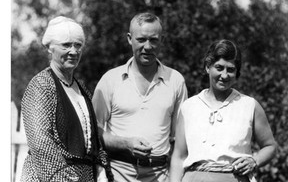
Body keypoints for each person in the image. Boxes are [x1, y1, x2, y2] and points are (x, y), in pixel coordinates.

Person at [92, 12, 188, 182]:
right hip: (117, 173)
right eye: (141, 39)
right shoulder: (110, 79)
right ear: (130, 39)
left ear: (162, 40)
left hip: (160, 175)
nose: (148, 46)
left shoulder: (176, 81)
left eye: (154, 40)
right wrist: (126, 144)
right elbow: (93, 132)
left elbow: (180, 142)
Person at [169, 39, 277, 182]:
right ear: (208, 67)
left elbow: (270, 146)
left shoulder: (250, 105)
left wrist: (254, 161)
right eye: (219, 67)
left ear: (237, 72)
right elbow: (179, 157)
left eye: (230, 69)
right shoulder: (189, 107)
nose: (224, 75)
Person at [21, 16, 113, 182]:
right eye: (66, 45)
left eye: (78, 45)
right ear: (51, 48)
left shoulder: (82, 88)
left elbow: (93, 141)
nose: (73, 51)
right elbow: (41, 144)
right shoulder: (41, 85)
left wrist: (101, 171)